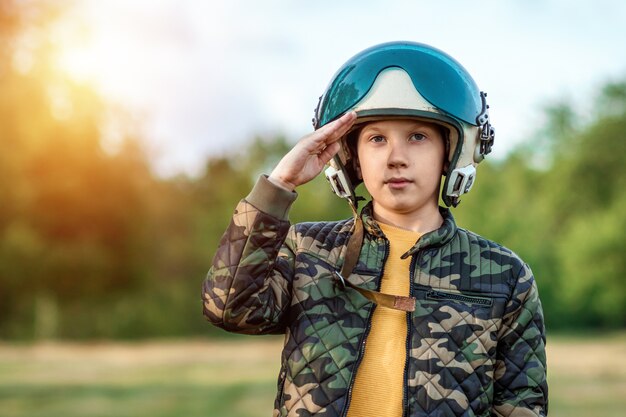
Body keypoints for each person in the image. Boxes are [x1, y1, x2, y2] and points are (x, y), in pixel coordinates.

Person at [202, 41, 548, 417]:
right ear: (350, 156)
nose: (396, 158)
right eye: (376, 139)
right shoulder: (308, 250)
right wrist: (279, 185)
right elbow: (229, 309)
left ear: (451, 152)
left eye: (418, 136)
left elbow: (522, 406)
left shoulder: (503, 274)